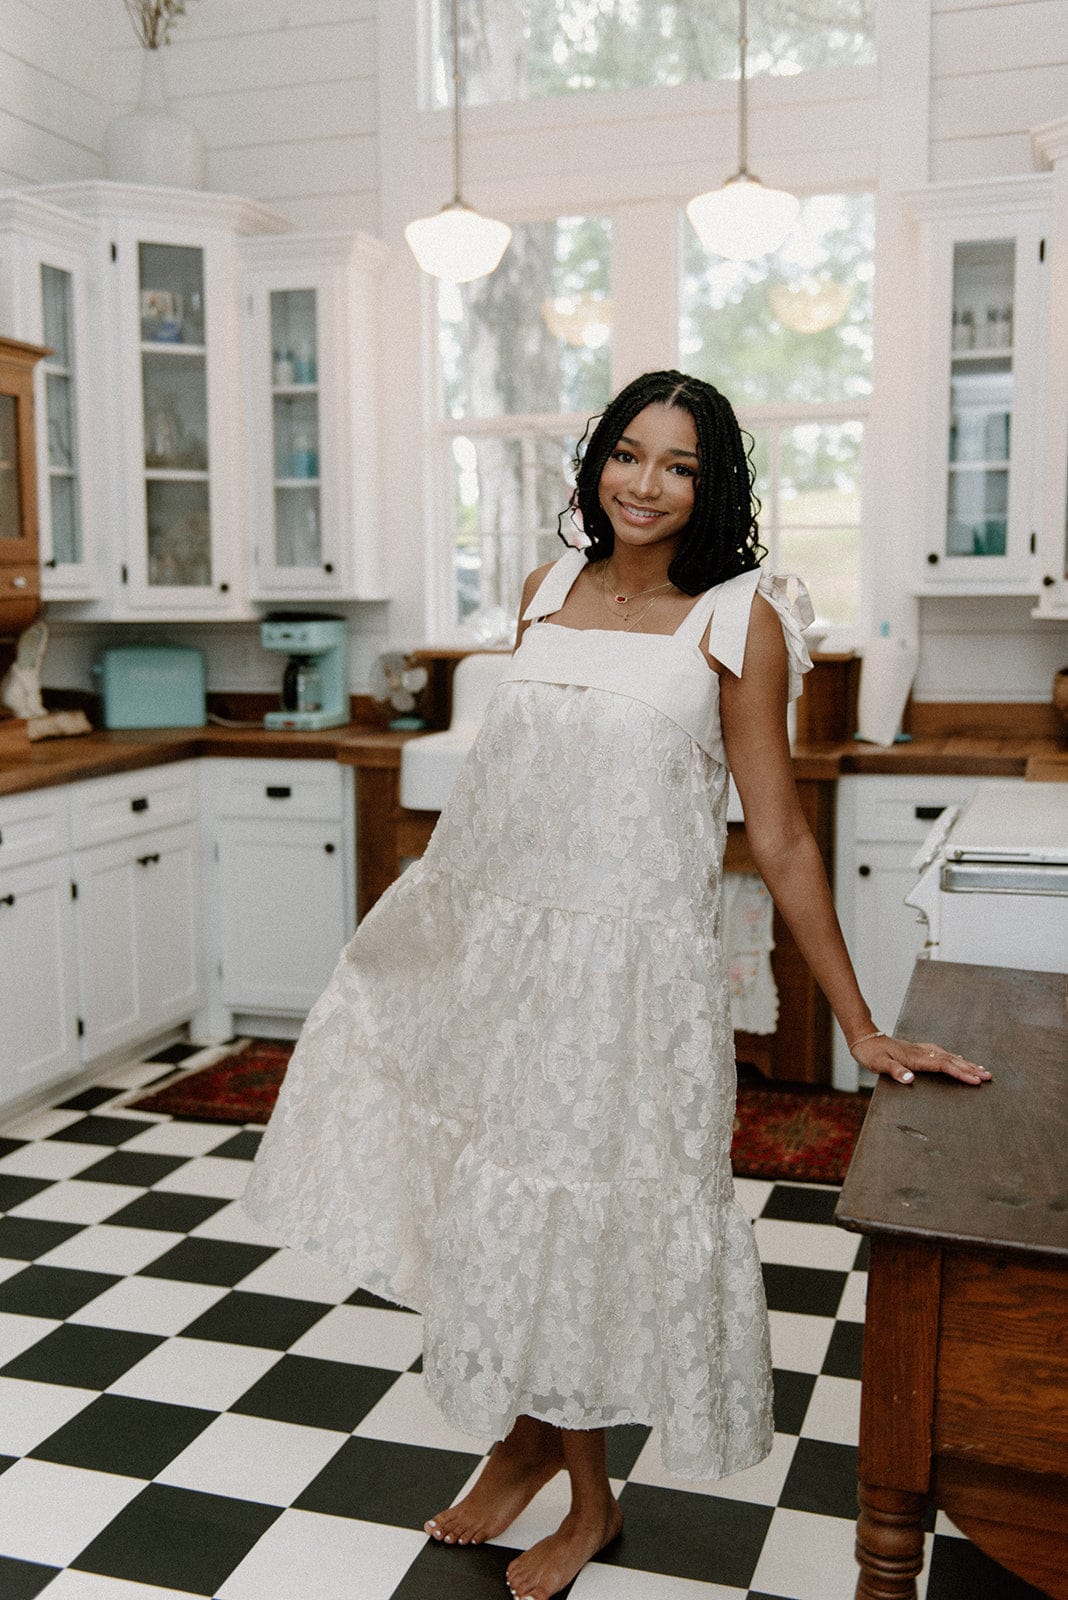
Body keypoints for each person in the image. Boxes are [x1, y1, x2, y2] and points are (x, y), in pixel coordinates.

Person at [240, 369, 989, 1600]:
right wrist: (430, 934)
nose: (646, 484)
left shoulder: (738, 616)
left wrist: (861, 1021)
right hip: (512, 965)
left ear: (714, 485)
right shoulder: (545, 593)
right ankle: (530, 1440)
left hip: (631, 985)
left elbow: (784, 835)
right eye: (628, 454)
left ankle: (589, 1501)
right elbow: (509, 795)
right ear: (596, 462)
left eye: (680, 464)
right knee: (514, 1206)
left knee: (583, 1218)